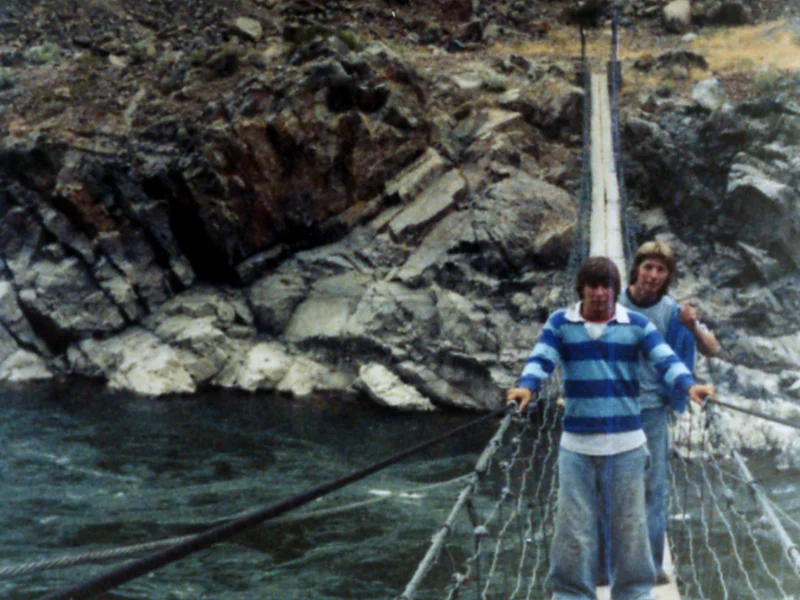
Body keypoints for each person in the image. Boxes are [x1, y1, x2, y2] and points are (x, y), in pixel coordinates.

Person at [507, 256, 715, 600]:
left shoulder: (636, 324)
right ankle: (572, 595)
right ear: (581, 288)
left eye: (607, 286)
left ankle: (634, 594)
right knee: (573, 530)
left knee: (630, 529)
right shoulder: (560, 322)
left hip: (627, 446)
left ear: (616, 290)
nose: (600, 293)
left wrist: (689, 385)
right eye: (593, 286)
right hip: (577, 448)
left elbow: (665, 359)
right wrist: (526, 387)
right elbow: (541, 358)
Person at [619, 241, 719, 583]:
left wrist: (692, 326)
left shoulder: (673, 311)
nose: (653, 275)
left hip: (652, 410)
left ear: (667, 276)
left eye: (661, 270)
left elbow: (712, 349)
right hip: (614, 408)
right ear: (636, 268)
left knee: (653, 489)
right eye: (648, 267)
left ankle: (649, 564)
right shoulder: (612, 304)